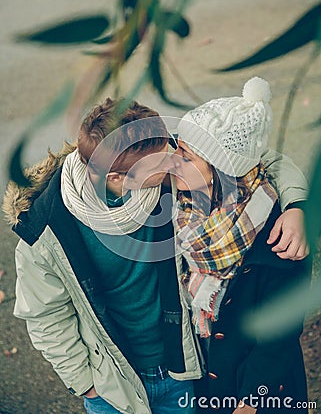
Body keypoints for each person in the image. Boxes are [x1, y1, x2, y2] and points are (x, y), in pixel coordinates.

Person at [2, 95, 308, 414]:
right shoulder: (46, 226)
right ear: (118, 178)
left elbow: (253, 158)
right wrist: (85, 383)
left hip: (183, 373)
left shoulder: (166, 166)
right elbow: (44, 315)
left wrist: (297, 206)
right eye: (163, 159)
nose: (173, 158)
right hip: (112, 385)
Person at [172, 77, 311, 413]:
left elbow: (279, 335)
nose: (172, 160)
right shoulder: (179, 207)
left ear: (222, 173)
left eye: (186, 156)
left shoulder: (279, 236)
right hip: (202, 383)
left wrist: (253, 399)